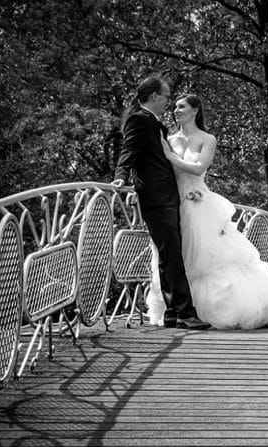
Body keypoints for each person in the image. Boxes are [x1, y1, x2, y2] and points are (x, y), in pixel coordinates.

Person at [146, 93, 268, 330]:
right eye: (175, 107)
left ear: (195, 111)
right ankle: (177, 309)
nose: (176, 110)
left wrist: (170, 157)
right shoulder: (169, 139)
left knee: (206, 259)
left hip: (198, 205)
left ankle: (211, 310)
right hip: (173, 204)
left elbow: (199, 168)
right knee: (174, 257)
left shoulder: (207, 139)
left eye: (182, 106)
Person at [111, 76, 210, 330]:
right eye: (167, 97)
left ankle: (173, 314)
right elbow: (129, 151)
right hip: (156, 198)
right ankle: (186, 313)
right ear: (155, 97)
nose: (168, 103)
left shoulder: (155, 124)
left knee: (168, 255)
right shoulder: (140, 120)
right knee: (173, 255)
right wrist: (120, 178)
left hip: (167, 196)